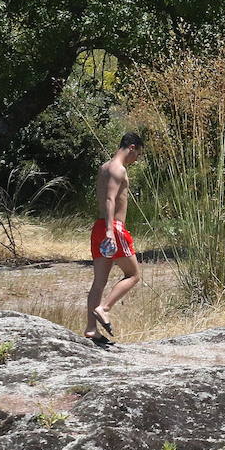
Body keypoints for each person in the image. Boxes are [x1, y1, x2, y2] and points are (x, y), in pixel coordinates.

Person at [86, 132, 143, 342]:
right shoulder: (118, 169)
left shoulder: (104, 167)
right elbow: (110, 199)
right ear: (131, 147)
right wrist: (111, 230)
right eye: (137, 154)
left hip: (100, 227)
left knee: (99, 282)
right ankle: (105, 308)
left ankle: (91, 328)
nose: (136, 159)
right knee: (133, 275)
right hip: (113, 229)